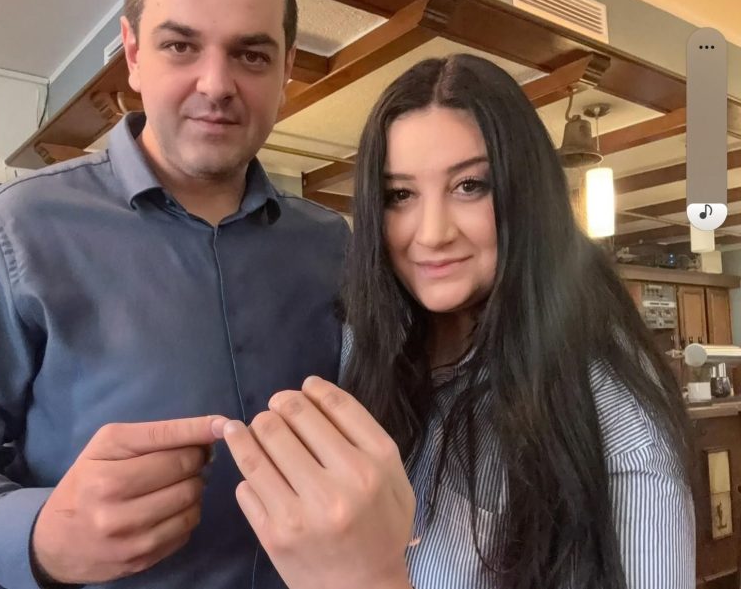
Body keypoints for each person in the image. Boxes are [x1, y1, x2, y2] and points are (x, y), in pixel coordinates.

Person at [217, 54, 695, 589]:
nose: (432, 233)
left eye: (469, 186)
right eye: (400, 195)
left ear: (526, 193)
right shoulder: (367, 346)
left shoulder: (620, 432)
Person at [0, 0, 349, 588]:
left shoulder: (334, 244)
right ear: (133, 53)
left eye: (251, 55)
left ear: (287, 69)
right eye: (180, 46)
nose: (216, 84)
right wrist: (35, 537)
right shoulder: (14, 230)